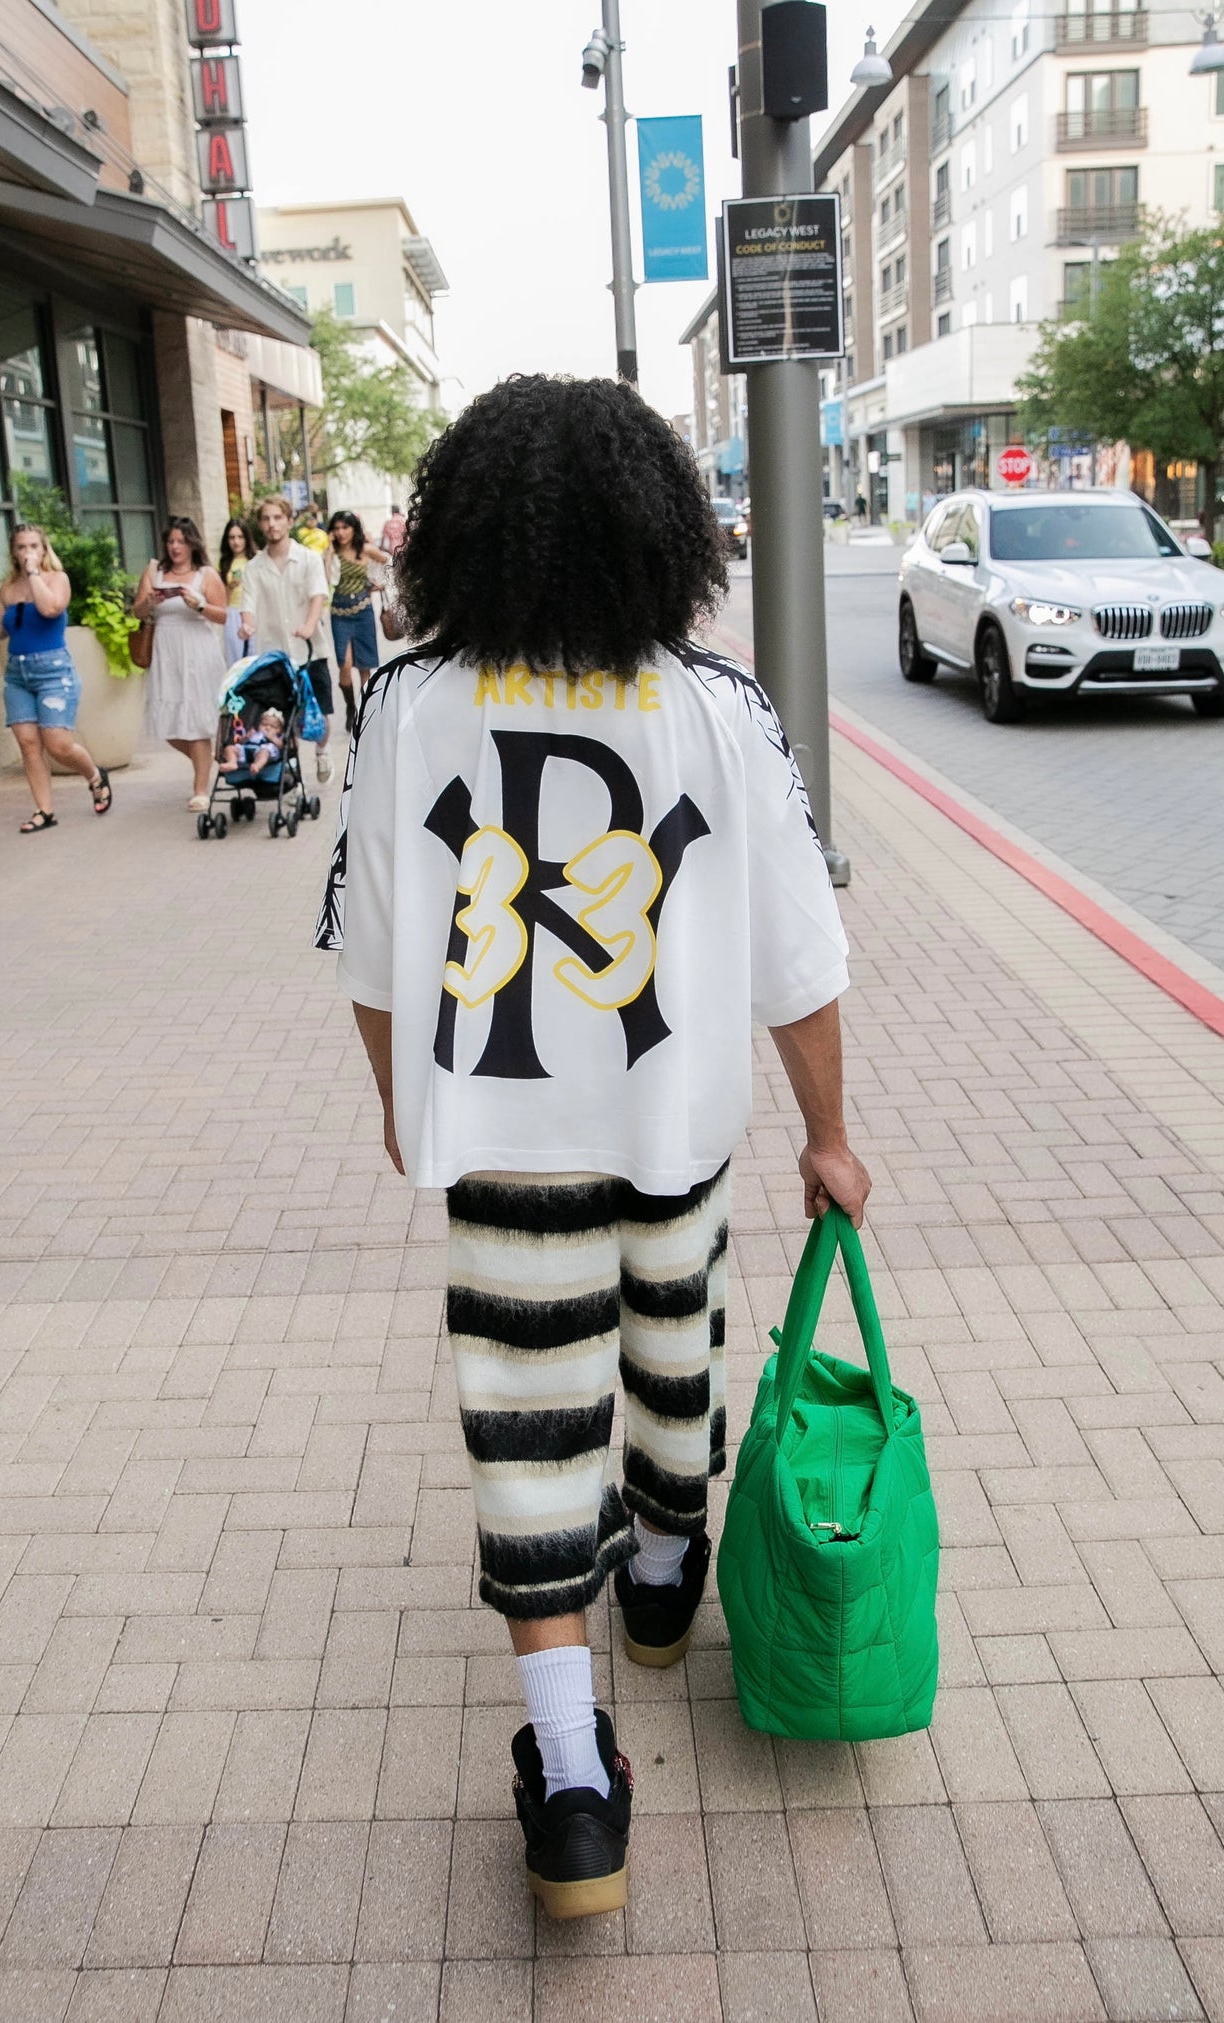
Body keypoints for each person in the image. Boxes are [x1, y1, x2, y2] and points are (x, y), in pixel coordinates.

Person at [315, 376, 870, 1922]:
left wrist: (394, 1104)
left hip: (501, 1140)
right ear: (658, 534)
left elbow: (369, 952)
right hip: (668, 1123)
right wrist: (831, 1133)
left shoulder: (408, 701)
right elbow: (798, 957)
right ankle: (658, 1578)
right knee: (671, 1348)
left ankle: (572, 1786)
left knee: (524, 1418)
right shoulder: (717, 705)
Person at [0, 523, 112, 833]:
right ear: (13, 551)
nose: (27, 553)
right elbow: (3, 629)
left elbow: (50, 608)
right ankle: (44, 810)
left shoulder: (56, 579)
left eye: (33, 546)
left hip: (53, 671)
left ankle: (94, 776)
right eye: (21, 547)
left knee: (58, 745)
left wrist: (35, 574)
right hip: (18, 673)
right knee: (28, 744)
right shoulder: (8, 588)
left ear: (44, 549)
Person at [134, 517, 228, 813]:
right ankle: (209, 759)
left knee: (196, 722)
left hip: (197, 651)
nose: (175, 547)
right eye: (171, 541)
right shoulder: (155, 572)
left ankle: (200, 788)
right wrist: (148, 602)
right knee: (169, 724)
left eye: (181, 541)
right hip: (166, 651)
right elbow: (138, 612)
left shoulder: (206, 574)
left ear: (192, 544)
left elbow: (224, 615)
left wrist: (198, 604)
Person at [239, 493, 333, 784]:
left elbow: (318, 595)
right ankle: (290, 774)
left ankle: (322, 751)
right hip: (274, 655)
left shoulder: (307, 559)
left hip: (309, 649)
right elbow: (248, 606)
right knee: (281, 718)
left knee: (320, 713)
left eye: (277, 517)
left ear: (290, 521)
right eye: (266, 519)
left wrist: (307, 625)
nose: (272, 524)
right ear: (260, 525)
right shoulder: (253, 567)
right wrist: (247, 625)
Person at [326, 510, 390, 734]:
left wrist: (378, 583)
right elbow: (327, 580)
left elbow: (388, 562)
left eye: (345, 527)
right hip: (339, 612)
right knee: (344, 664)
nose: (341, 532)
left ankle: (364, 711)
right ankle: (350, 707)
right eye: (337, 528)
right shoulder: (333, 554)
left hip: (363, 611)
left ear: (354, 529)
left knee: (365, 665)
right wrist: (328, 553)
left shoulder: (365, 549)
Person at [218, 517, 255, 667]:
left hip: (254, 611)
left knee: (255, 655)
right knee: (236, 658)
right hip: (233, 613)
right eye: (232, 537)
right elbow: (221, 599)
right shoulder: (224, 563)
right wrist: (230, 587)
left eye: (240, 537)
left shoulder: (255, 559)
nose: (236, 542)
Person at [223, 705, 285, 775]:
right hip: (246, 751)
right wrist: (246, 737)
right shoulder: (255, 733)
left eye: (273, 726)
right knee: (230, 748)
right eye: (264, 724)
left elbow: (282, 746)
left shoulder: (278, 736)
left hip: (263, 752)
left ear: (280, 730)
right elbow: (241, 742)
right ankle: (232, 762)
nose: (267, 728)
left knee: (264, 753)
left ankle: (257, 766)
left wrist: (272, 738)